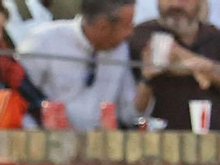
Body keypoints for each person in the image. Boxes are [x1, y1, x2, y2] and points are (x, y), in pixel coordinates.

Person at [129, 0, 220, 131]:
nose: (176, 5)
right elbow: (129, 109)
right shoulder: (140, 35)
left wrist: (198, 65)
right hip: (157, 141)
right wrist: (208, 72)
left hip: (215, 141)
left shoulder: (218, 38)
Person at [18, 0, 138, 130]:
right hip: (48, 142)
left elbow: (129, 113)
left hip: (101, 144)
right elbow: (18, 98)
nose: (131, 33)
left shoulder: (120, 50)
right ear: (103, 26)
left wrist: (148, 80)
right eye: (127, 26)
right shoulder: (43, 41)